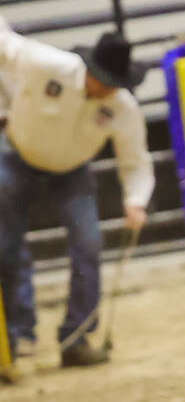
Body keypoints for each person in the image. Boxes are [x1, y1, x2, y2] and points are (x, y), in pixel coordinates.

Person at [0, 30, 153, 367]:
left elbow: (135, 159)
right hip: (15, 155)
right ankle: (7, 341)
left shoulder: (122, 107)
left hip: (72, 169)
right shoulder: (45, 64)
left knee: (88, 244)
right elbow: (6, 45)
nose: (107, 88)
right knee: (5, 249)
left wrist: (136, 200)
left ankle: (75, 337)